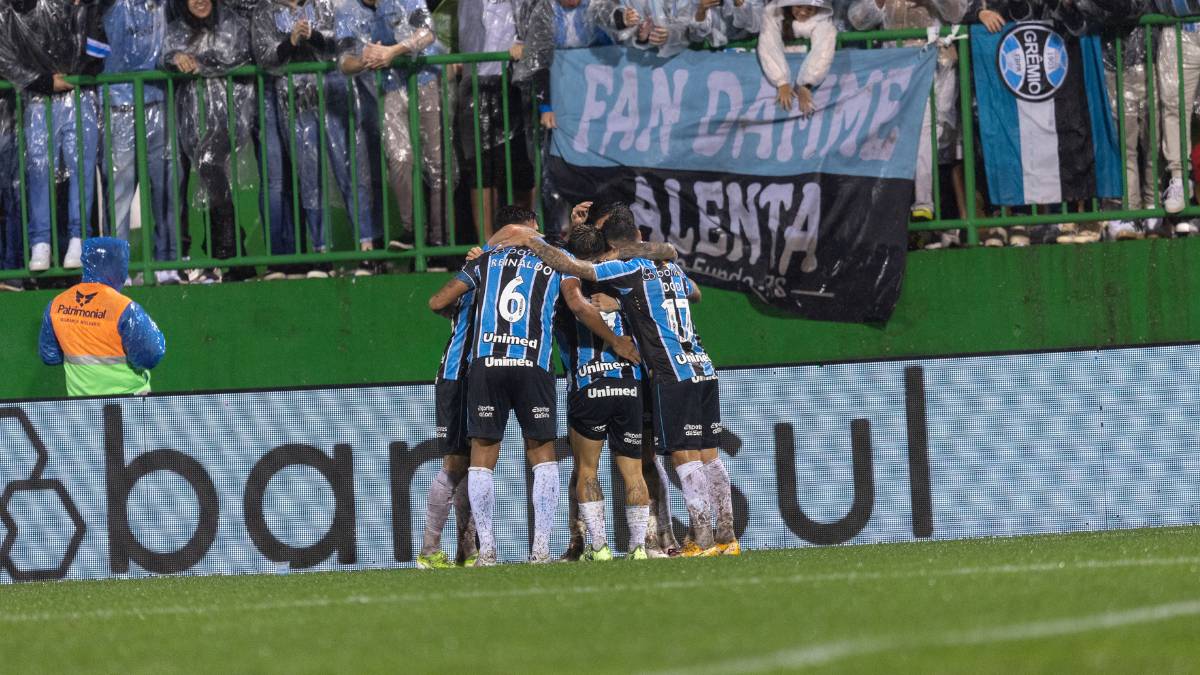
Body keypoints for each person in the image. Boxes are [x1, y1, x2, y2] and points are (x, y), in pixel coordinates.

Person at [496, 205, 738, 557]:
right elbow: (694, 292)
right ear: (639, 236)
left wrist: (535, 243)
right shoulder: (665, 263)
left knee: (679, 457)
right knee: (701, 457)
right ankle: (721, 536)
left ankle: (695, 539)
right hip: (696, 366)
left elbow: (577, 267)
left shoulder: (621, 271)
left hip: (665, 371)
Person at [252, 0, 376, 277]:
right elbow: (265, 56)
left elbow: (345, 42)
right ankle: (323, 253)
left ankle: (368, 250)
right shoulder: (266, 11)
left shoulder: (327, 4)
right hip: (295, 101)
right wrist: (291, 41)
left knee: (350, 171)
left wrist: (315, 36)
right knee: (310, 179)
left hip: (334, 93)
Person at [555, 219, 650, 561]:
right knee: (634, 472)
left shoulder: (566, 281)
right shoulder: (623, 279)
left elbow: (574, 306)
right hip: (628, 383)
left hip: (589, 383)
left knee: (587, 470)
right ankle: (639, 547)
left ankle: (599, 547)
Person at [0, 0, 107, 272]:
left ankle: (78, 237)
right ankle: (40, 243)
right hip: (37, 99)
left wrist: (78, 73)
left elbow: (96, 46)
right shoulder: (12, 9)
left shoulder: (80, 5)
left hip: (78, 95)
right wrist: (44, 82)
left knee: (80, 169)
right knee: (39, 170)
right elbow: (6, 58)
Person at [336, 0, 449, 256]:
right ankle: (412, 232)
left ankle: (440, 241)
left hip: (424, 78)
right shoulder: (346, 12)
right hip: (389, 88)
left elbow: (428, 32)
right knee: (399, 158)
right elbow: (344, 61)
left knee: (436, 162)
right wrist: (365, 60)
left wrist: (393, 52)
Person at [850, 0, 966, 237]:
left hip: (936, 65)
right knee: (901, 139)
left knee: (931, 136)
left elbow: (958, 10)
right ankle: (914, 210)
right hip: (895, 71)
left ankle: (929, 211)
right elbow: (857, 20)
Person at [162, 0, 257, 283]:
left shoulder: (232, 25)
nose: (199, 1)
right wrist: (174, 59)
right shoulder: (177, 30)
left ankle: (227, 248)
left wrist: (202, 63)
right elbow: (164, 57)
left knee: (208, 163)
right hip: (194, 118)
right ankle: (232, 257)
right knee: (209, 174)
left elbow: (242, 58)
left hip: (229, 116)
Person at [103, 0, 181, 284]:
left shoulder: (163, 5)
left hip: (159, 100)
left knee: (166, 186)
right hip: (118, 106)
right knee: (119, 193)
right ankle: (114, 273)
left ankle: (167, 264)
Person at [39, 237, 166, 397]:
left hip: (82, 409)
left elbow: (50, 356)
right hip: (129, 406)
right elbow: (151, 355)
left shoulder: (57, 305)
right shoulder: (124, 308)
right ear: (119, 265)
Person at [456, 0, 536, 237]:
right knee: (481, 171)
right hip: (475, 83)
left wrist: (524, 43)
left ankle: (525, 240)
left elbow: (535, 19)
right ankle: (488, 248)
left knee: (521, 170)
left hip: (513, 80)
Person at [753, 0, 837, 114]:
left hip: (808, 91)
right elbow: (768, 43)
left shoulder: (823, 20)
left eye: (809, 9)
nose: (803, 12)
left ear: (817, 8)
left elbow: (824, 50)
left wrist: (807, 84)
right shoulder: (774, 13)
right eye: (798, 6)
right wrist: (781, 81)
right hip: (774, 86)